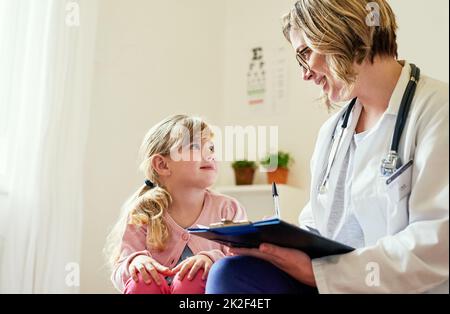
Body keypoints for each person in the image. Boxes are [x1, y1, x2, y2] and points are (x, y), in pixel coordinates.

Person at [206, 0, 448, 294]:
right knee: (233, 273)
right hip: (329, 281)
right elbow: (317, 224)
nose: (305, 74)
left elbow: (437, 247)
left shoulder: (437, 110)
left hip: (395, 287)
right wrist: (268, 245)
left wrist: (321, 274)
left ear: (341, 30)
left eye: (305, 53)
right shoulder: (333, 132)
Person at [105, 114, 247, 294]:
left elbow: (242, 262)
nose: (209, 154)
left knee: (197, 277)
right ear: (162, 165)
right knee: (142, 281)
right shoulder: (144, 212)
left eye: (211, 147)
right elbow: (120, 271)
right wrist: (134, 263)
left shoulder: (228, 209)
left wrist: (211, 258)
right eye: (195, 146)